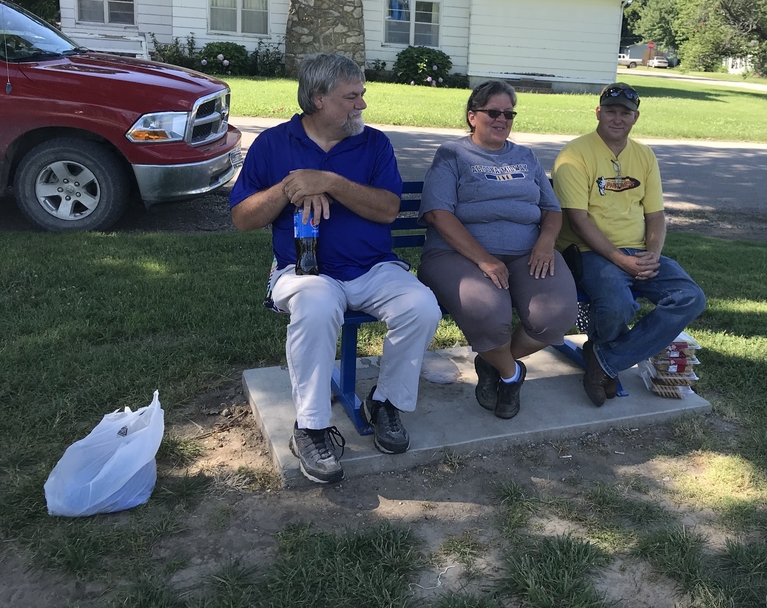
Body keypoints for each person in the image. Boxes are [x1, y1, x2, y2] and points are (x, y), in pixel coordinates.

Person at [229, 53, 441, 484]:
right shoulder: (273, 144)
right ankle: (310, 426)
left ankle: (385, 404)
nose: (361, 105)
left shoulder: (374, 143)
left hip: (373, 267)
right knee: (319, 302)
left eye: (362, 94)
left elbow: (388, 210)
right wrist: (289, 188)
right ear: (318, 99)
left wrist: (331, 182)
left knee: (421, 305)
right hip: (304, 270)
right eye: (352, 97)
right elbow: (242, 218)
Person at [417, 80, 578, 419]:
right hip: (457, 255)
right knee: (489, 314)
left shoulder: (526, 156)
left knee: (556, 317)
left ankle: (493, 360)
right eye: (493, 112)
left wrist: (546, 243)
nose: (502, 119)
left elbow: (552, 210)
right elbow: (438, 214)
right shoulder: (452, 154)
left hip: (526, 252)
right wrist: (484, 259)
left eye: (508, 113)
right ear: (472, 116)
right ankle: (510, 373)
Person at [552, 82, 706, 407]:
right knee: (618, 307)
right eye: (611, 111)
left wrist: (652, 255)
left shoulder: (645, 155)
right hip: (589, 252)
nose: (617, 118)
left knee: (690, 297)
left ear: (635, 117)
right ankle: (608, 363)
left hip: (638, 252)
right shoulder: (575, 155)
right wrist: (621, 260)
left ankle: (605, 359)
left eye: (625, 112)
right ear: (598, 112)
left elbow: (656, 215)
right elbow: (579, 221)